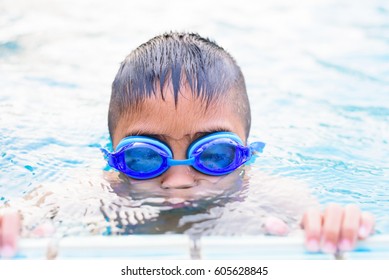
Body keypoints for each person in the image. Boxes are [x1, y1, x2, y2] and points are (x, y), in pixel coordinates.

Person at [0, 32, 374, 258]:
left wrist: (332, 227)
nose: (178, 180)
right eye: (145, 156)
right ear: (113, 157)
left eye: (214, 155)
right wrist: (14, 222)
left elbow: (314, 224)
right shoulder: (94, 191)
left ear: (245, 154)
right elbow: (23, 213)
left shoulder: (275, 196)